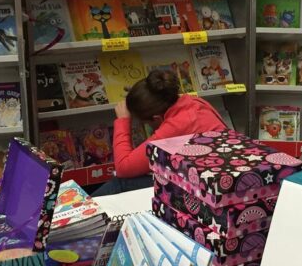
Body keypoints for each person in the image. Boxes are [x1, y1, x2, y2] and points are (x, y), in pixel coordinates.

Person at [94, 69, 227, 196]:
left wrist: (123, 121)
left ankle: (80, 214)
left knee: (121, 183)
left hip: (212, 187)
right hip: (221, 175)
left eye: (146, 123)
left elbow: (123, 168)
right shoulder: (193, 103)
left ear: (156, 118)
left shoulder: (177, 126)